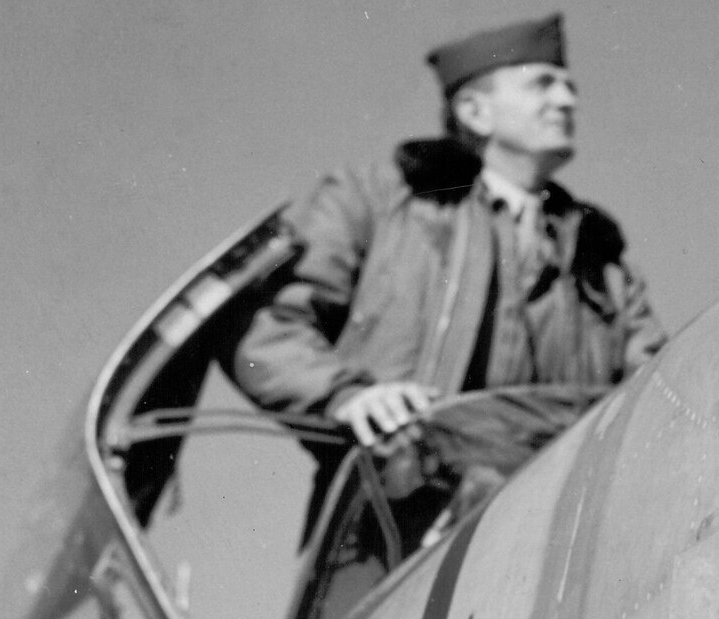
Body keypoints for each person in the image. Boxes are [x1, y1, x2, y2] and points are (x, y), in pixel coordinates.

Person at [234, 13, 665, 542]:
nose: (567, 100)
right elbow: (268, 331)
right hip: (391, 528)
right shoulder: (375, 200)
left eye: (570, 87)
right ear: (473, 111)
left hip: (550, 533)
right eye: (543, 84)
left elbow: (657, 393)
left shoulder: (602, 262)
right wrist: (345, 395)